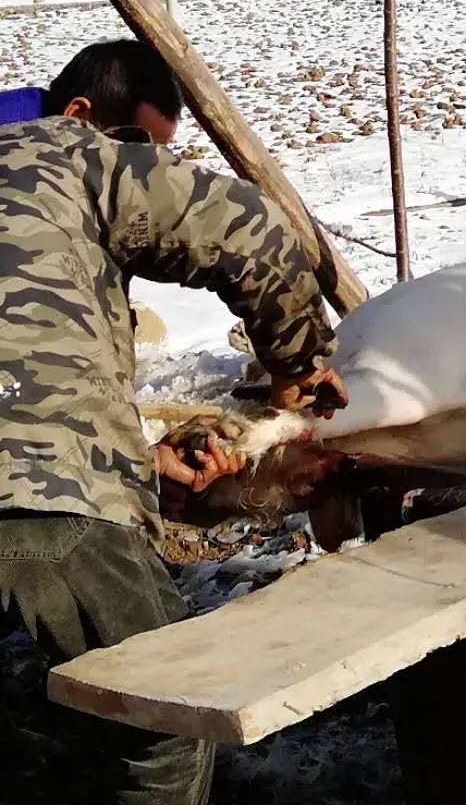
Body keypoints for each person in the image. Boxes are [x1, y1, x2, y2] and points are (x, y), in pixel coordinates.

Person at [0, 108, 348, 804]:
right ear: (91, 116)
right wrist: (302, 365)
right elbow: (246, 228)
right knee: (169, 717)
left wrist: (137, 464)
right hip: (25, 497)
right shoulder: (63, 152)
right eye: (157, 147)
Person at [0, 36, 185, 145]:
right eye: (139, 145)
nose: (155, 163)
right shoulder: (14, 152)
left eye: (162, 149)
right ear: (75, 116)